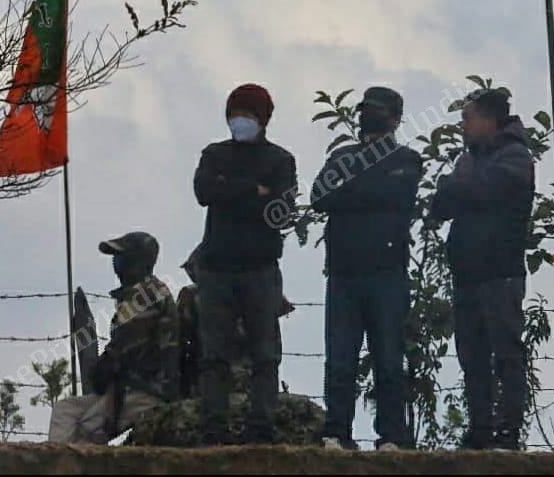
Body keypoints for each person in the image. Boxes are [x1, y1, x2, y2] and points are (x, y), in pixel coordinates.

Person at [311, 86, 422, 452]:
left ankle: (392, 434)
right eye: (365, 110)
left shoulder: (408, 159)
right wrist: (366, 191)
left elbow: (398, 195)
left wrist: (351, 190)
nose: (367, 117)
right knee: (340, 359)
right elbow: (319, 196)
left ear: (395, 118)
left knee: (389, 359)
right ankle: (336, 431)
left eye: (376, 111)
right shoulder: (343, 155)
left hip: (387, 273)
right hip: (344, 273)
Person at [429, 88, 535, 452]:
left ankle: (508, 431)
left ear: (489, 120)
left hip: (500, 272)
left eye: (468, 118)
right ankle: (480, 429)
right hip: (467, 271)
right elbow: (440, 204)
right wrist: (459, 190)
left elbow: (484, 191)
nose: (463, 126)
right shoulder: (468, 161)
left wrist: (459, 190)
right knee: (471, 356)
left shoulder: (517, 157)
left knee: (506, 354)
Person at [192, 83, 298, 445]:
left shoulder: (280, 161)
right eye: (235, 114)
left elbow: (280, 214)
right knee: (213, 357)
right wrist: (254, 190)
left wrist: (232, 190)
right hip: (217, 270)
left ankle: (261, 428)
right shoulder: (214, 154)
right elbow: (204, 191)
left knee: (264, 356)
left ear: (264, 120)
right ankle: (213, 429)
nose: (240, 121)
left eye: (248, 115)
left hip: (260, 270)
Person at [48, 231, 178, 443]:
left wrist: (102, 370)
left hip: (147, 391)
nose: (116, 263)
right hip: (126, 388)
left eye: (121, 257)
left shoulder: (145, 295)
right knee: (65, 410)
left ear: (137, 260)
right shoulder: (138, 293)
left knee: (86, 431)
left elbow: (121, 351)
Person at [176, 243, 296, 400]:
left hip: (213, 379)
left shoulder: (195, 296)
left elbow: (180, 340)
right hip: (248, 380)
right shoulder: (262, 294)